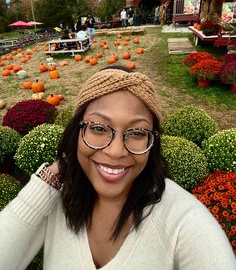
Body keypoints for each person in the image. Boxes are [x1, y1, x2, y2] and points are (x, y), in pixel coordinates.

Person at [0, 66, 235, 270]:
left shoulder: (184, 220)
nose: (115, 151)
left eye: (137, 133)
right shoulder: (56, 200)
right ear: (77, 132)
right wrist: (50, 178)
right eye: (99, 128)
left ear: (151, 142)